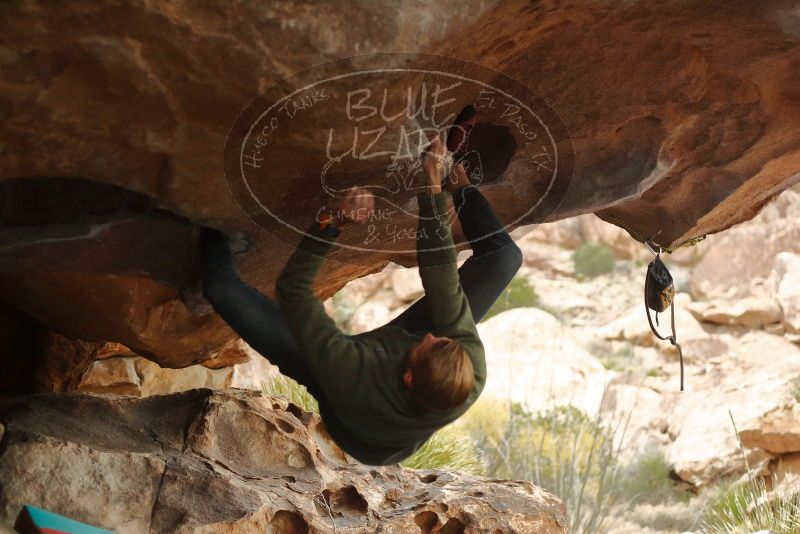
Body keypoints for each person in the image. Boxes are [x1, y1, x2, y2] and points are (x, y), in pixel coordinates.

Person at [200, 118, 522, 466]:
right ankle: (462, 185)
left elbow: (294, 289)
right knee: (503, 259)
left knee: (221, 289)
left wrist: (332, 222)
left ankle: (207, 236)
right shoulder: (467, 369)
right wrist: (433, 185)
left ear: (409, 374)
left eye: (427, 342)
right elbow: (440, 274)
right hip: (406, 374)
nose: (431, 334)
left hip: (352, 417)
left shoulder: (351, 371)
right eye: (443, 339)